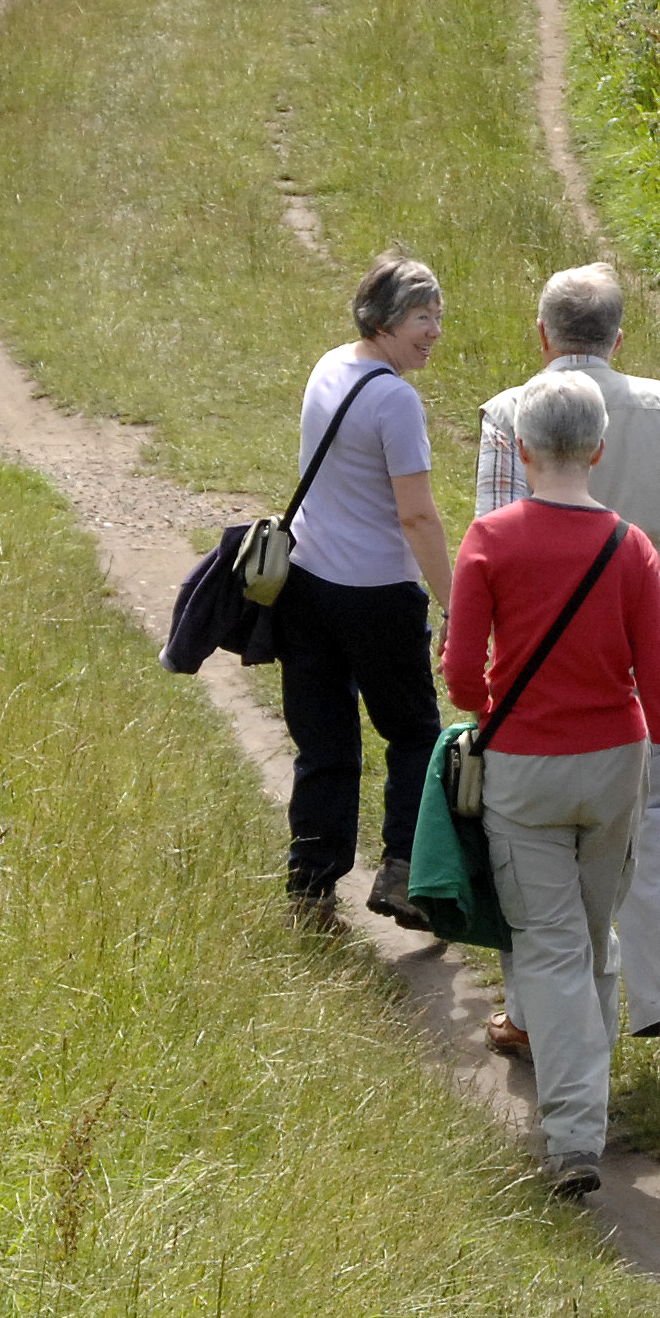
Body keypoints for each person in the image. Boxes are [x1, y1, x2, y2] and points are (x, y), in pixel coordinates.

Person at [446, 369, 660, 1201]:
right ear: (597, 450)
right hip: (616, 768)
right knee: (590, 940)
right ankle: (585, 1104)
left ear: (521, 450)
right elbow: (659, 670)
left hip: (524, 769)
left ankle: (570, 1138)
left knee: (555, 947)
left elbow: (460, 677)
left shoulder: (489, 541)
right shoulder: (629, 546)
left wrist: (497, 708)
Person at [476, 264, 660, 1081]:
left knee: (543, 852)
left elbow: (491, 535)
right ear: (621, 339)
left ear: (542, 335)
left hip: (550, 671)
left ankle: (532, 1016)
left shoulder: (508, 414)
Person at [282, 251, 456, 931]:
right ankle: (404, 872)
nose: (434, 330)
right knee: (414, 732)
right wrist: (451, 600)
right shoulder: (394, 399)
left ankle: (311, 888)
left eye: (438, 316)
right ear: (382, 322)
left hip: (307, 585)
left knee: (324, 740)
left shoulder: (330, 366)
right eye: (421, 317)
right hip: (378, 597)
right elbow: (417, 515)